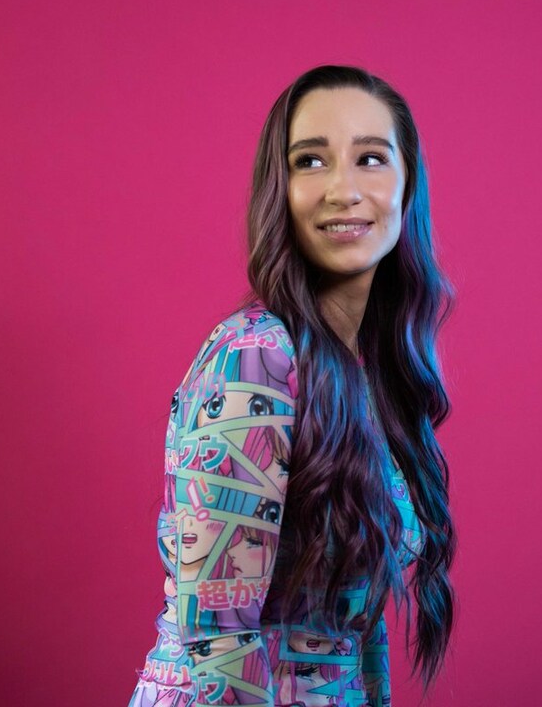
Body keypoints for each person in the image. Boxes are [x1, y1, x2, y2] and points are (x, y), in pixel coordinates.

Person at [128, 64, 456, 707]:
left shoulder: (366, 372)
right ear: (280, 190)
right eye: (311, 161)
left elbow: (352, 632)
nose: (343, 189)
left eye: (370, 158)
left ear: (407, 184)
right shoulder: (256, 359)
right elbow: (216, 637)